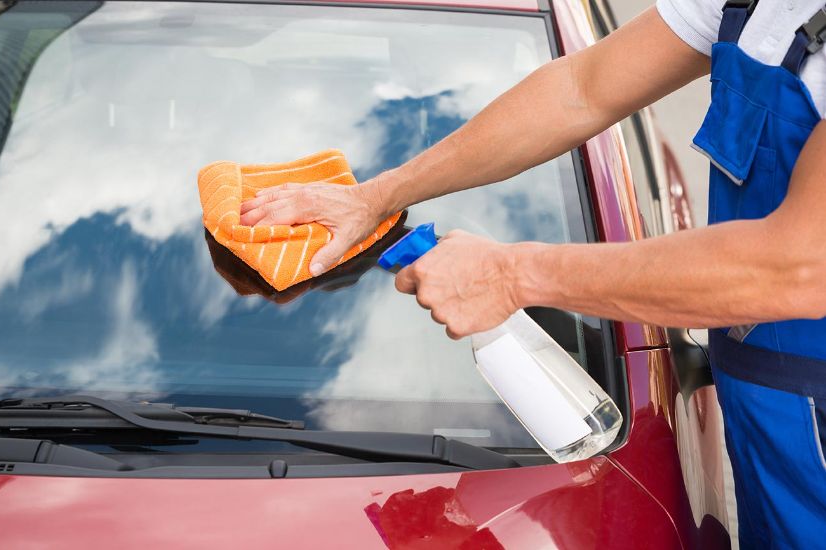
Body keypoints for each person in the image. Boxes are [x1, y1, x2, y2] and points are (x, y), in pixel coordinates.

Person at [239, 0, 826, 545]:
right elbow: (581, 90)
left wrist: (511, 276)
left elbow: (797, 267)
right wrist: (377, 197)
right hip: (770, 420)